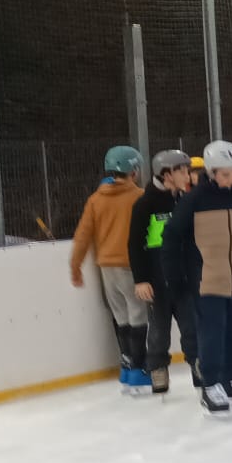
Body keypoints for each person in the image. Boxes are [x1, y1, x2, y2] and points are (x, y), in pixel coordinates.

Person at [163, 140, 232, 414]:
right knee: (212, 333)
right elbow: (171, 237)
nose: (231, 179)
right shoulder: (194, 200)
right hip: (206, 280)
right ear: (211, 172)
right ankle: (210, 385)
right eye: (225, 174)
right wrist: (175, 277)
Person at [71, 146, 148, 391]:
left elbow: (83, 235)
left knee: (121, 317)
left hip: (106, 267)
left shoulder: (96, 200)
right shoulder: (140, 197)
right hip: (131, 266)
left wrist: (76, 266)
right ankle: (138, 369)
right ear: (134, 171)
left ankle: (126, 367)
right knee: (138, 316)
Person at [128, 149, 200, 392]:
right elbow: (135, 244)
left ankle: (199, 364)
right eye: (183, 171)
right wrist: (141, 280)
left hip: (184, 279)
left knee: (192, 326)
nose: (187, 176)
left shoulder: (183, 200)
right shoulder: (144, 204)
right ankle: (158, 367)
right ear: (167, 174)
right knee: (159, 331)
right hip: (157, 282)